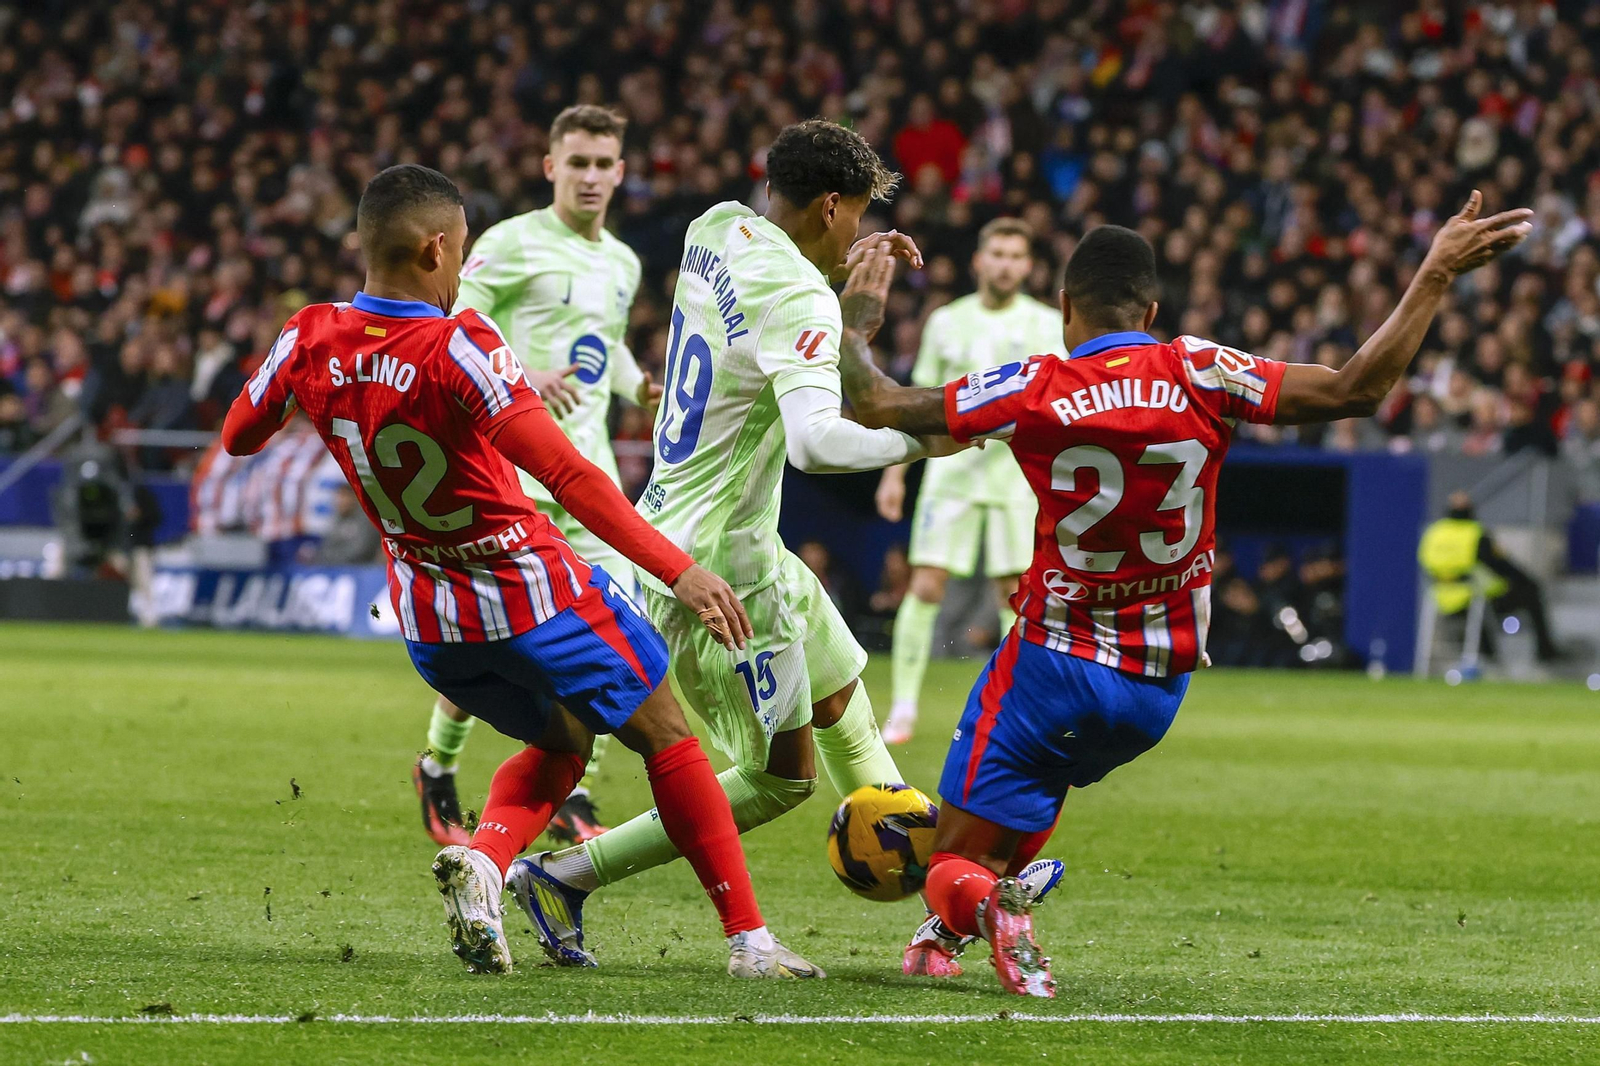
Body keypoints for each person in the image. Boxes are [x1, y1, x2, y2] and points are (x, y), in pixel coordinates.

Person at [835, 192, 1532, 995]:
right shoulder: (1203, 369)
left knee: (950, 855)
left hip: (1054, 661)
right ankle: (954, 929)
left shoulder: (1034, 384)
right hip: (1158, 688)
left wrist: (860, 315)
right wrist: (1436, 273)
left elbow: (877, 403)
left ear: (1064, 306)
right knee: (1039, 785)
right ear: (1153, 308)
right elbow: (1355, 389)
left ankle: (983, 904)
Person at [219, 163, 821, 980]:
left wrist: (313, 378)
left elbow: (238, 434)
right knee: (667, 733)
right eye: (460, 249)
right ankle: (749, 941)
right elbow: (571, 477)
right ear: (436, 248)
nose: (463, 266)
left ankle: (487, 862)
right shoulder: (457, 344)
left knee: (567, 734)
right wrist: (680, 571)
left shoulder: (309, 334)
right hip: (526, 588)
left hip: (430, 616)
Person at [510, 119, 959, 968]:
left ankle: (930, 874)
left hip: (713, 534)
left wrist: (844, 295)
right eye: (856, 216)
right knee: (781, 777)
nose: (857, 233)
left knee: (841, 692)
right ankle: (564, 875)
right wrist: (926, 439)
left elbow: (760, 317)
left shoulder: (714, 226)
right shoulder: (800, 298)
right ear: (832, 205)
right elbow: (818, 444)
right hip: (723, 572)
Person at [413, 105, 662, 850]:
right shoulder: (512, 243)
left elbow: (605, 348)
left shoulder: (622, 262)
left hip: (586, 470)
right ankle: (438, 764)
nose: (590, 176)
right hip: (511, 469)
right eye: (576, 162)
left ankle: (574, 789)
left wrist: (638, 386)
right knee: (495, 639)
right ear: (551, 167)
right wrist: (524, 373)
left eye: (602, 164)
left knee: (622, 630)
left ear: (621, 171)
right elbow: (450, 325)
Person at [874, 217, 1059, 744]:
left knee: (1013, 594)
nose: (1005, 263)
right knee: (926, 583)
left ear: (1027, 266)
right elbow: (917, 401)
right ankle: (904, 708)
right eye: (996, 253)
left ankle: (1013, 708)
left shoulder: (1046, 325)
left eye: (1015, 255)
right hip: (950, 471)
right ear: (980, 261)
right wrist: (894, 475)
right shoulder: (947, 321)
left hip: (1015, 476)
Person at [1418, 490, 1560, 662]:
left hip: (1439, 597)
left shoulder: (1434, 532)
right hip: (1472, 596)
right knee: (1531, 591)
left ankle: (1486, 652)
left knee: (1484, 609)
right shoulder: (1474, 533)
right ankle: (1544, 651)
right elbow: (1500, 565)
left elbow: (1425, 563)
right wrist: (1526, 580)